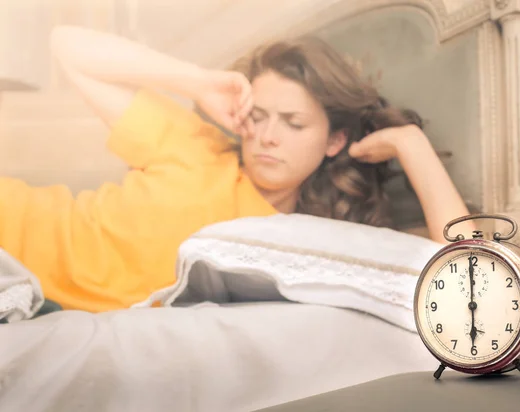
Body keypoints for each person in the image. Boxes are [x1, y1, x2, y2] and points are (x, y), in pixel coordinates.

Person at [0, 26, 473, 312]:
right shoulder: (198, 145)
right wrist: (199, 83)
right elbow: (67, 45)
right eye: (258, 116)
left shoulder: (313, 241)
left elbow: (473, 274)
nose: (267, 136)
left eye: (293, 123)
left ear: (335, 140)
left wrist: (412, 146)